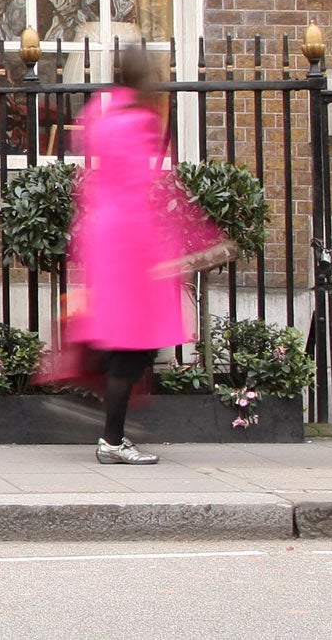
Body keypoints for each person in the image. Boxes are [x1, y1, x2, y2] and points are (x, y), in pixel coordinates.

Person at [66, 44, 230, 465]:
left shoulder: (103, 117)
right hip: (132, 243)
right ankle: (112, 439)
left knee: (124, 340)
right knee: (134, 346)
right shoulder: (138, 123)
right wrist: (197, 237)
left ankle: (106, 416)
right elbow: (146, 190)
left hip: (106, 239)